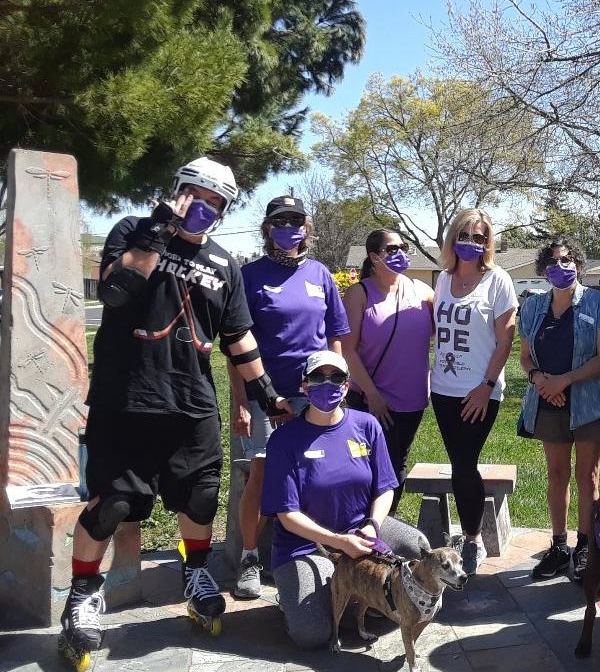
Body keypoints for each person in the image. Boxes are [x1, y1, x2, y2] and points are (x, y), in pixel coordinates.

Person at [60, 158, 294, 660]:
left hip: (192, 403)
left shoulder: (225, 264)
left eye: (216, 204)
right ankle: (82, 595)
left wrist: (268, 394)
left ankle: (195, 574)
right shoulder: (134, 232)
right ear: (177, 190)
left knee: (201, 499)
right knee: (115, 504)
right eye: (197, 196)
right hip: (126, 400)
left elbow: (238, 336)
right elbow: (117, 292)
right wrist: (163, 228)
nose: (203, 209)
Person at [261, 351, 430, 649]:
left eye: (336, 377)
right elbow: (287, 516)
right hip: (305, 545)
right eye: (317, 378)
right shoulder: (284, 440)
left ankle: (360, 595)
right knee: (312, 634)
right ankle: (303, 597)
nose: (327, 384)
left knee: (416, 546)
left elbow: (385, 488)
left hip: (361, 531)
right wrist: (338, 542)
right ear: (304, 386)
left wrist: (373, 525)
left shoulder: (366, 425)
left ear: (347, 384)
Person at [228, 195, 350, 599]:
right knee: (262, 475)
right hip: (266, 395)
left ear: (306, 227)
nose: (289, 227)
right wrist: (241, 403)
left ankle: (308, 550)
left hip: (315, 393)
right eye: (280, 220)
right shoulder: (248, 276)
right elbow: (235, 345)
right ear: (267, 228)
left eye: (296, 220)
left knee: (315, 472)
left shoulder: (320, 274)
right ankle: (248, 557)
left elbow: (334, 336)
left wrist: (336, 385)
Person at [517, 238, 600, 581]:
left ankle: (586, 546)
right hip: (547, 400)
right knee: (556, 475)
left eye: (569, 260)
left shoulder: (599, 302)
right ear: (544, 269)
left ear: (580, 264)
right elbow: (525, 356)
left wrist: (565, 381)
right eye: (554, 262)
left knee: (588, 476)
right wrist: (541, 380)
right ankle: (558, 546)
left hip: (587, 403)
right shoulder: (532, 307)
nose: (561, 267)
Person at [429, 208, 517, 575]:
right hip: (443, 389)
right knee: (458, 463)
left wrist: (485, 386)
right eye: (465, 235)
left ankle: (473, 540)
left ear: (488, 242)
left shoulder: (498, 280)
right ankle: (468, 534)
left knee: (465, 463)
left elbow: (505, 340)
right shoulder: (443, 280)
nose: (472, 243)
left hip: (478, 390)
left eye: (480, 237)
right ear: (453, 238)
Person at [341, 228, 435, 513]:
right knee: (362, 465)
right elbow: (347, 349)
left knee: (395, 464)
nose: (400, 254)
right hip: (369, 400)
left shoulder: (422, 291)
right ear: (374, 256)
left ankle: (384, 527)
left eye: (403, 247)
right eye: (391, 249)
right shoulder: (359, 294)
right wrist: (372, 395)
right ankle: (356, 526)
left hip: (412, 400)